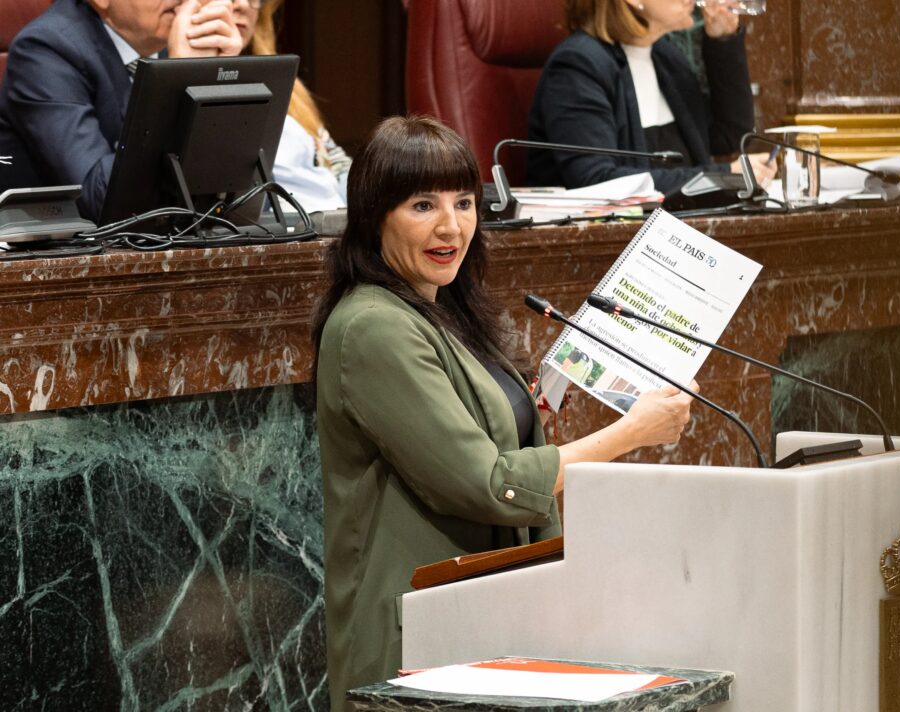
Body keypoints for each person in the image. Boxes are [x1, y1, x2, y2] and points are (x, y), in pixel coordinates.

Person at [314, 115, 696, 709]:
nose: (451, 226)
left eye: (465, 203)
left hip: (483, 616)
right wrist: (632, 433)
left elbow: (481, 437)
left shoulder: (443, 309)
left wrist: (523, 407)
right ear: (373, 216)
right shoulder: (373, 326)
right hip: (417, 641)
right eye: (422, 205)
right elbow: (487, 483)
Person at [0, 0, 243, 221]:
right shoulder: (45, 50)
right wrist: (177, 78)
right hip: (65, 258)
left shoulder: (186, 45)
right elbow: (102, 201)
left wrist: (224, 72)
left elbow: (249, 198)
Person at [527, 0, 776, 193]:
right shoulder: (579, 65)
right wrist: (722, 177)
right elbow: (596, 181)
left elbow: (727, 136)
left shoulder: (665, 57)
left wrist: (723, 41)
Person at [233, 0, 350, 212]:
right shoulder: (168, 73)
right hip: (274, 236)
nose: (242, 5)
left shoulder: (287, 85)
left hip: (335, 227)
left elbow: (338, 165)